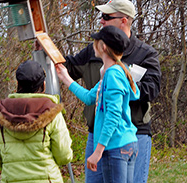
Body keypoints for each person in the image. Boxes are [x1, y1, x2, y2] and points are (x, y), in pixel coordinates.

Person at [64, 0, 161, 183]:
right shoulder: (96, 50)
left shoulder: (146, 54)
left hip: (133, 135)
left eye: (106, 17)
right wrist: (45, 51)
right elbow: (68, 67)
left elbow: (152, 89)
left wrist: (118, 84)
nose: (101, 21)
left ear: (123, 20)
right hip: (98, 134)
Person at [56, 25, 140, 183]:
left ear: (103, 46)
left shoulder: (113, 75)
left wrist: (98, 151)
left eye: (96, 41)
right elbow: (89, 98)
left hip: (116, 147)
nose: (93, 44)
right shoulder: (112, 72)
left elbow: (113, 115)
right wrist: (66, 78)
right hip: (125, 144)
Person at [0, 60, 73, 183]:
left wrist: (10, 165)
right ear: (43, 85)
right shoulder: (52, 113)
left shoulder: (0, 114)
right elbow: (64, 155)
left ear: (17, 84)